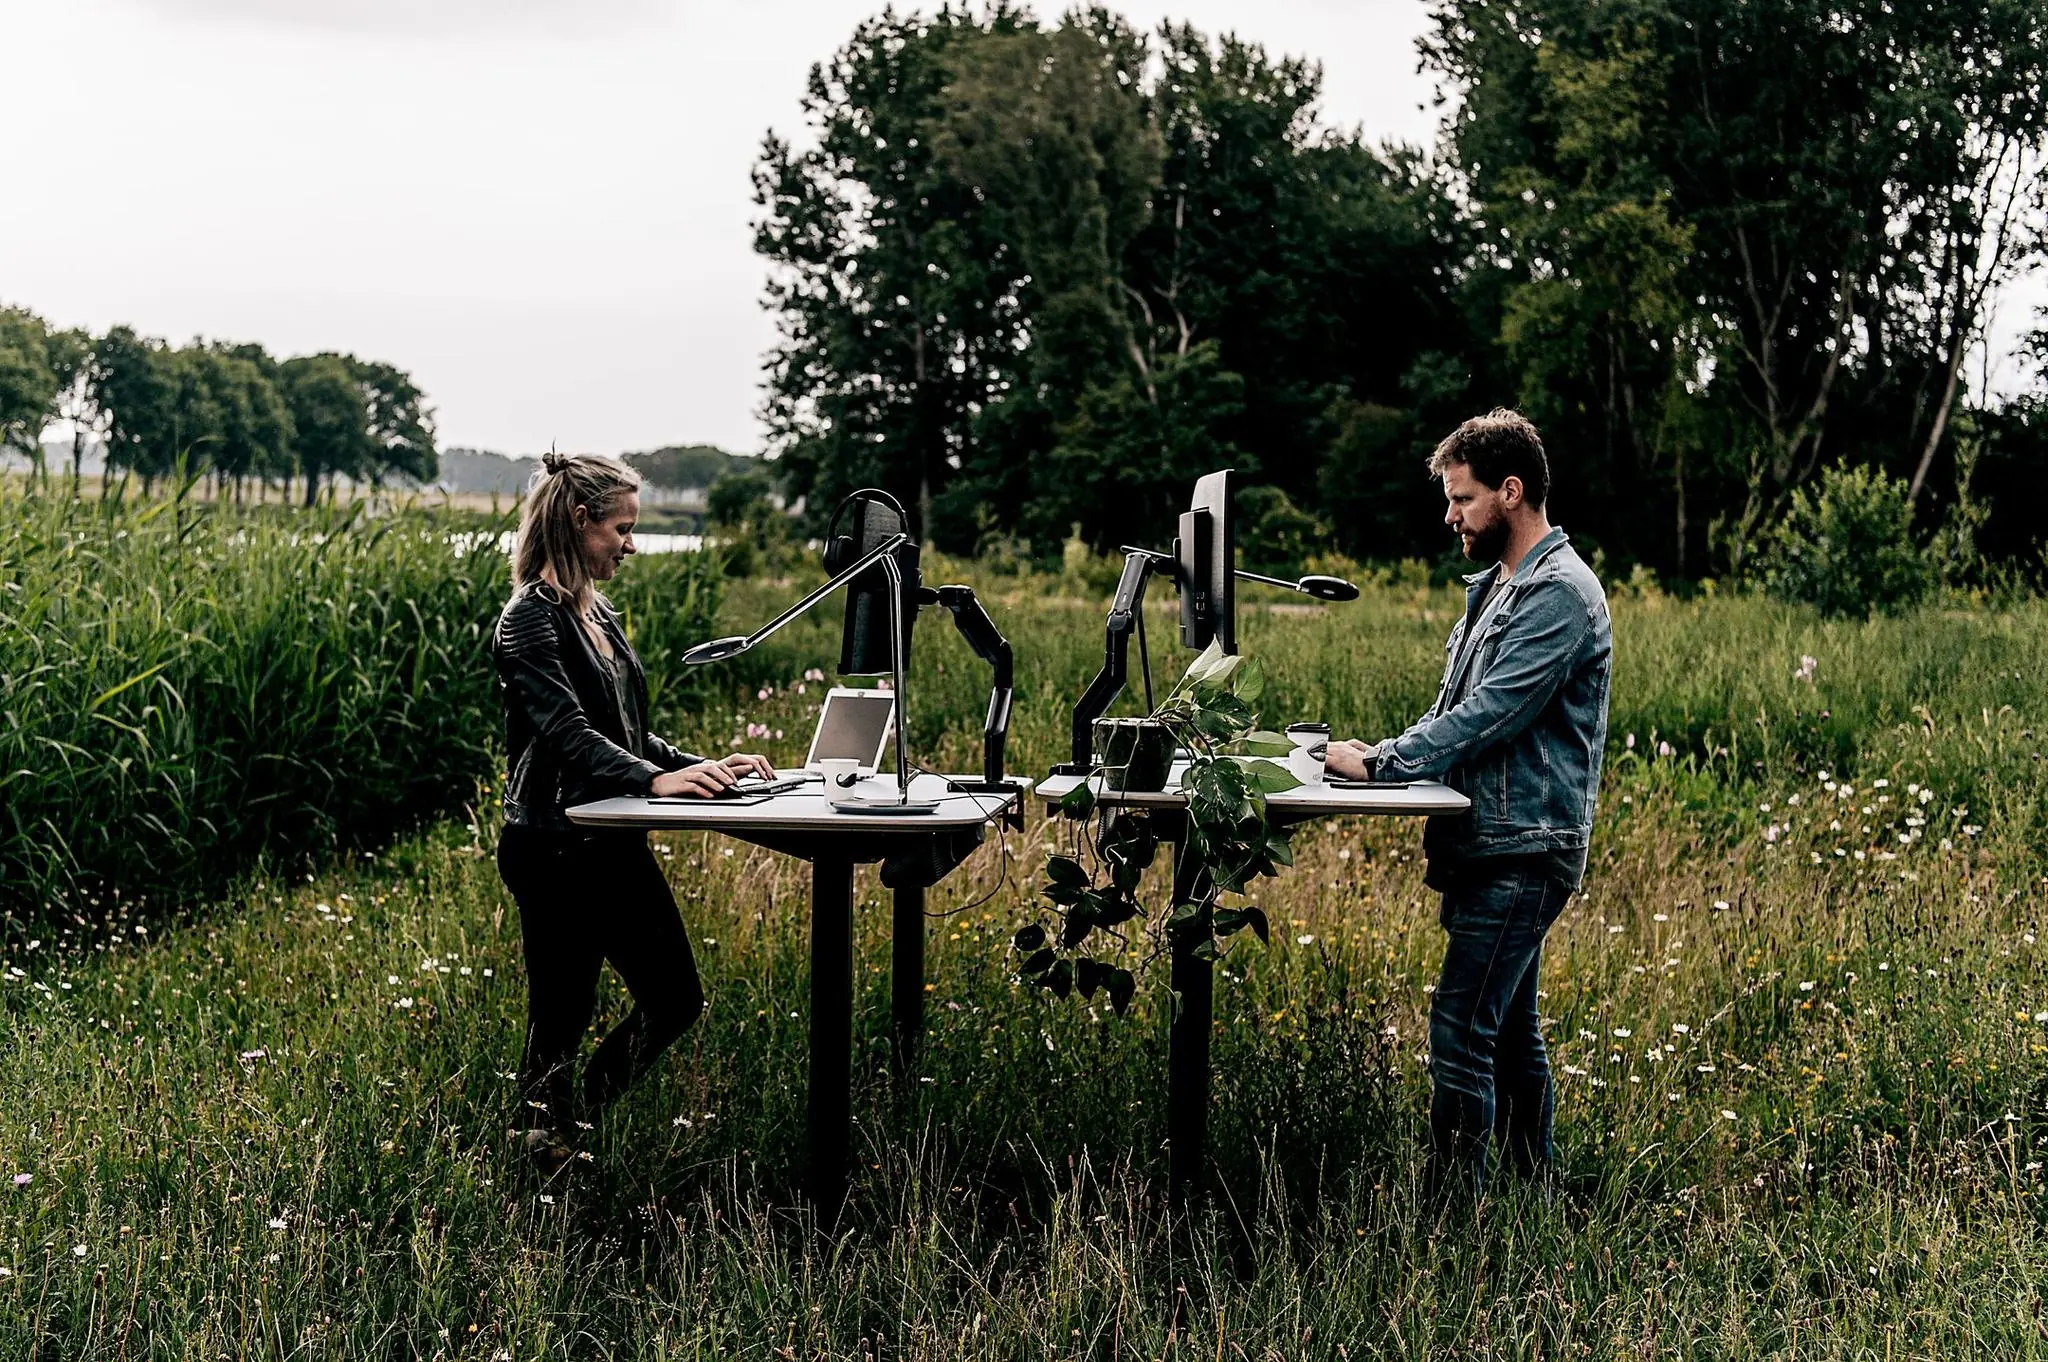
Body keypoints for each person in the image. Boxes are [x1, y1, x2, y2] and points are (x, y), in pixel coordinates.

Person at [1324, 409, 1611, 1209]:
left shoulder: (1560, 595)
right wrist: (1376, 752)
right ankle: (1536, 1197)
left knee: (1460, 1032)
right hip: (1487, 843)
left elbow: (1487, 715)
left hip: (1523, 849)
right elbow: (1457, 707)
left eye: (1462, 498)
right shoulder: (1496, 587)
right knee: (1510, 1030)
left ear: (1510, 491)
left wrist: (1380, 762)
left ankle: (1453, 1227)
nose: (1450, 515)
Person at [491, 451, 772, 1173]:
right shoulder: (529, 619)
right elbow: (566, 733)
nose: (631, 543)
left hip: (610, 836)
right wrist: (654, 780)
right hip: (552, 841)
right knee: (561, 1011)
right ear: (580, 521)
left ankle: (575, 1111)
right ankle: (539, 1148)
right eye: (621, 528)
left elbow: (620, 728)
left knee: (675, 997)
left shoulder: (596, 613)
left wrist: (696, 766)